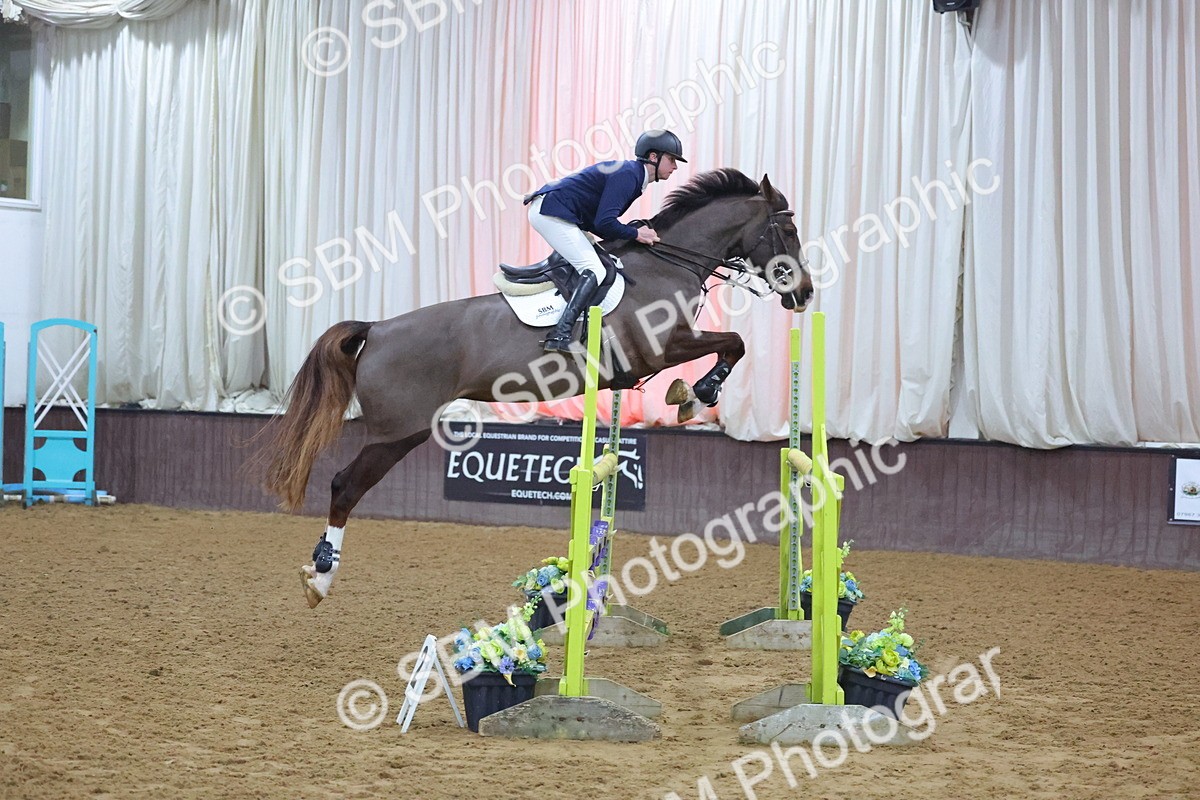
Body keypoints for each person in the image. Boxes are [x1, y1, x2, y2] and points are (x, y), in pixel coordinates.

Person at [525, 129, 687, 352]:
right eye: (671, 159)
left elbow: (600, 222)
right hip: (550, 211)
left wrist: (630, 233)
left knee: (597, 261)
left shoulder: (634, 177)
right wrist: (637, 234)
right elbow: (604, 223)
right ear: (653, 157)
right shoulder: (630, 175)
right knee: (594, 268)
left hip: (558, 211)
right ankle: (560, 335)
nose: (675, 167)